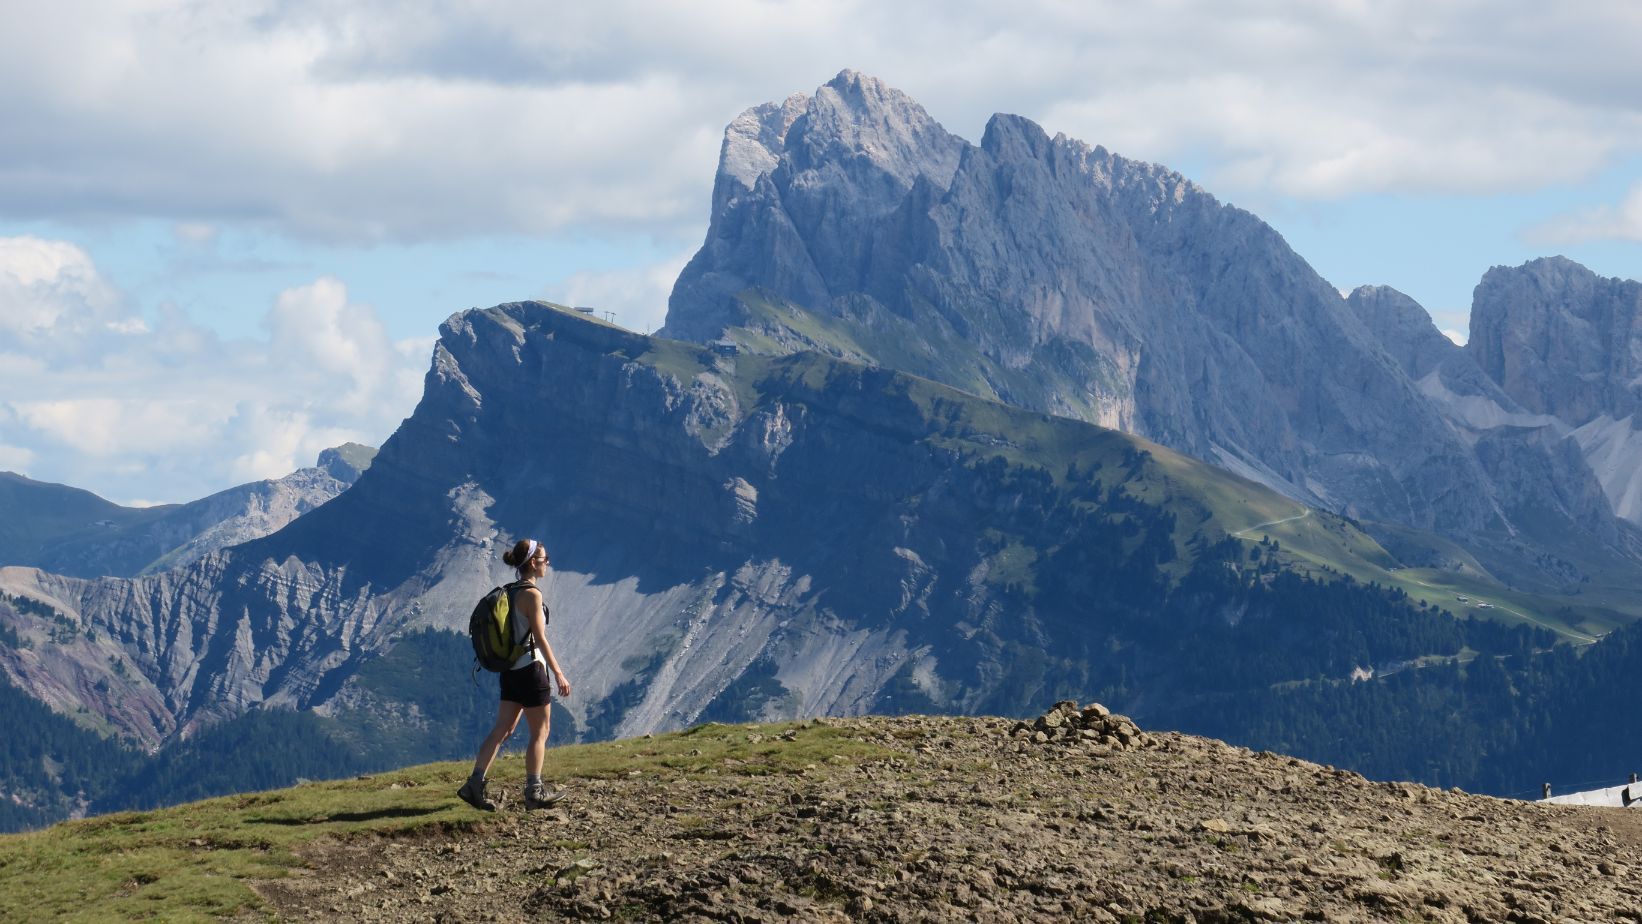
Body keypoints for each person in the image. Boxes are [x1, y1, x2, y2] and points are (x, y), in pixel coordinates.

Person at [458, 538, 572, 810]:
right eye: (544, 560)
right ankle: (534, 790)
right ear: (533, 563)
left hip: (509, 670)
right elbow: (540, 638)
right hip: (531, 670)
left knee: (503, 729)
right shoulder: (532, 595)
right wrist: (558, 673)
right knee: (540, 731)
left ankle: (474, 783)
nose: (547, 564)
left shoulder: (508, 592)